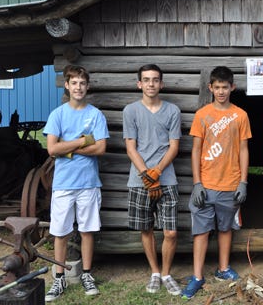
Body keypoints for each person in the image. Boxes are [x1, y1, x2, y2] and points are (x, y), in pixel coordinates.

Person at [181, 66, 252, 300]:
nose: (221, 91)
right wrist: (197, 183)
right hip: (207, 183)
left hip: (230, 183)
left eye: (225, 87)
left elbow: (243, 149)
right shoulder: (203, 114)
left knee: (225, 228)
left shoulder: (240, 115)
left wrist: (243, 181)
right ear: (210, 88)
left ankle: (223, 269)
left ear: (232, 87)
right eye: (217, 87)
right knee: (201, 232)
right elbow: (196, 150)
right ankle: (197, 276)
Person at [43, 65, 109, 302]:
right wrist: (82, 141)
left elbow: (100, 148)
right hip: (63, 183)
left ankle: (87, 274)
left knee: (87, 230)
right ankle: (59, 278)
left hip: (89, 182)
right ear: (67, 86)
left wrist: (67, 145)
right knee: (60, 232)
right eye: (74, 83)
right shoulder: (57, 115)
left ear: (87, 86)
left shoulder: (96, 114)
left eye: (82, 83)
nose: (78, 87)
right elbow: (52, 149)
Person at [123, 64, 182, 296]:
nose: (151, 84)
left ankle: (167, 274)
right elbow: (130, 147)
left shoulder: (172, 111)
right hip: (139, 181)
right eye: (146, 80)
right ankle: (155, 272)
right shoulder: (130, 111)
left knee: (170, 232)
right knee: (146, 229)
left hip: (167, 179)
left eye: (155, 80)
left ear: (161, 84)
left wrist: (157, 172)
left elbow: (174, 146)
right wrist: (147, 175)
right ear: (139, 84)